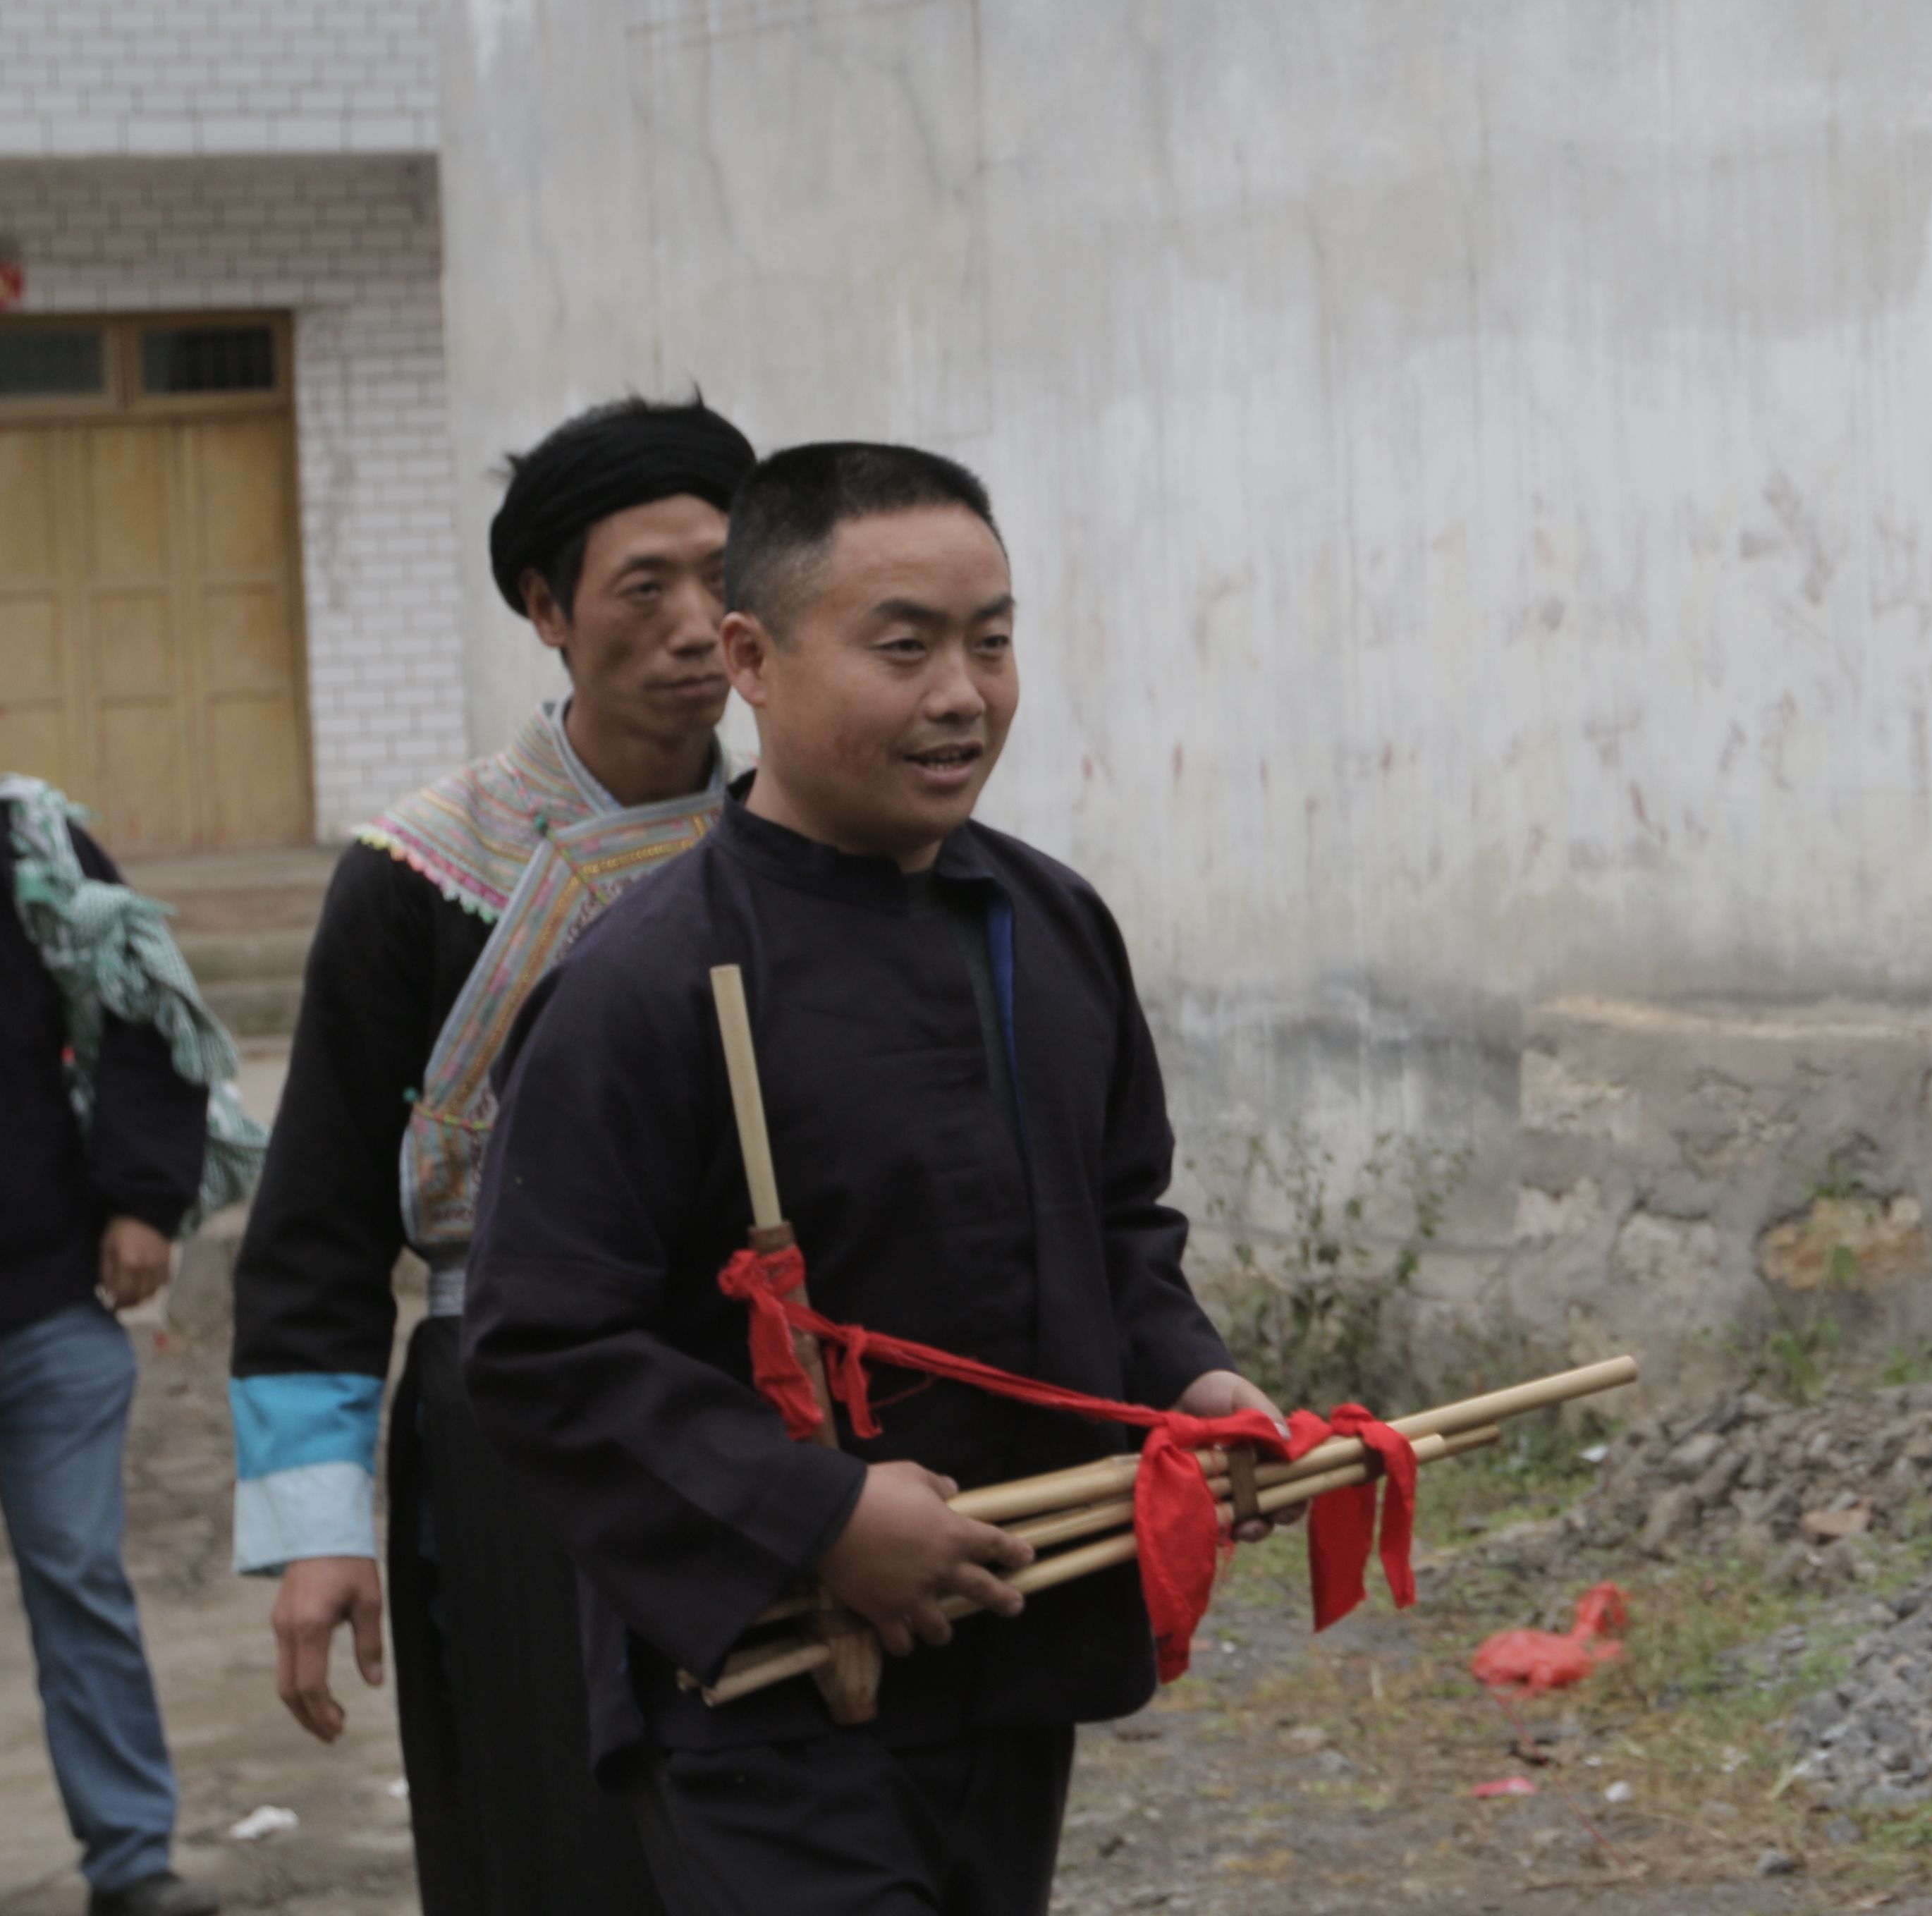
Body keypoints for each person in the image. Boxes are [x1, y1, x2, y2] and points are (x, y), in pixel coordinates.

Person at [460, 441, 1287, 1916]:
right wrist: (818, 1514)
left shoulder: (1050, 925)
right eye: (904, 649)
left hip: (1013, 1638)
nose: (962, 694)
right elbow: (541, 1345)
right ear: (752, 660)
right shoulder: (643, 984)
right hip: (769, 1687)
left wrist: (1190, 1378)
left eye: (992, 642)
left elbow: (1117, 1225)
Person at [230, 393, 755, 1916]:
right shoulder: (421, 874)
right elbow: (319, 1225)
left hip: (772, 1403)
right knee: (552, 1829)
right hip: (517, 1419)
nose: (692, 625)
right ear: (546, 608)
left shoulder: (807, 844)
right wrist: (319, 1535)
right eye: (642, 586)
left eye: (723, 578)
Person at [1, 778, 229, 1916]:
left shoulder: (35, 849)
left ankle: (133, 1858)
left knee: (80, 1578)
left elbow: (145, 1013)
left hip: (44, 1306)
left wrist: (144, 1198)